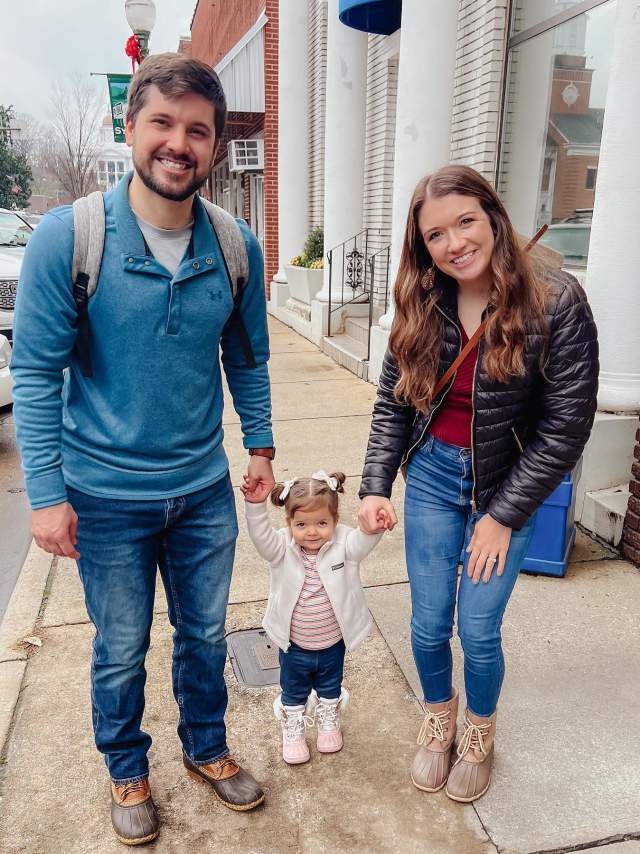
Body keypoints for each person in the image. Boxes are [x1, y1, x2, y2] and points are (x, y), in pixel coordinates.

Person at [11, 53, 276, 845]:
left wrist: (259, 446)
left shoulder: (236, 247)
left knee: (202, 634)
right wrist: (48, 494)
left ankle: (207, 748)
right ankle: (126, 766)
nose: (178, 142)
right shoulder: (72, 238)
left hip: (201, 492)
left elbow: (247, 358)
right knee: (120, 646)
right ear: (130, 128)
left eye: (198, 130)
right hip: (104, 496)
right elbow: (33, 372)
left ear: (215, 146)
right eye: (162, 122)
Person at [357, 165, 598, 803]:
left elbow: (566, 427)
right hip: (434, 477)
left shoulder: (555, 298)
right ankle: (439, 718)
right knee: (431, 620)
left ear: (493, 216)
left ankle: (478, 734)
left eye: (465, 221)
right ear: (422, 245)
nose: (454, 243)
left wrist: (502, 515)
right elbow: (393, 403)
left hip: (504, 486)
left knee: (480, 628)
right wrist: (376, 485)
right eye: (435, 234)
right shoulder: (422, 299)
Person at [242, 470, 385, 764]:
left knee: (330, 687)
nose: (312, 531)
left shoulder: (345, 545)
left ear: (335, 520)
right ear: (289, 523)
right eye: (301, 524)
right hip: (294, 646)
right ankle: (293, 727)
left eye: (322, 523)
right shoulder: (281, 548)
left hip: (333, 643)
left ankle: (328, 717)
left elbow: (365, 540)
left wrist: (375, 526)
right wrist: (255, 506)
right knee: (293, 692)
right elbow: (260, 535)